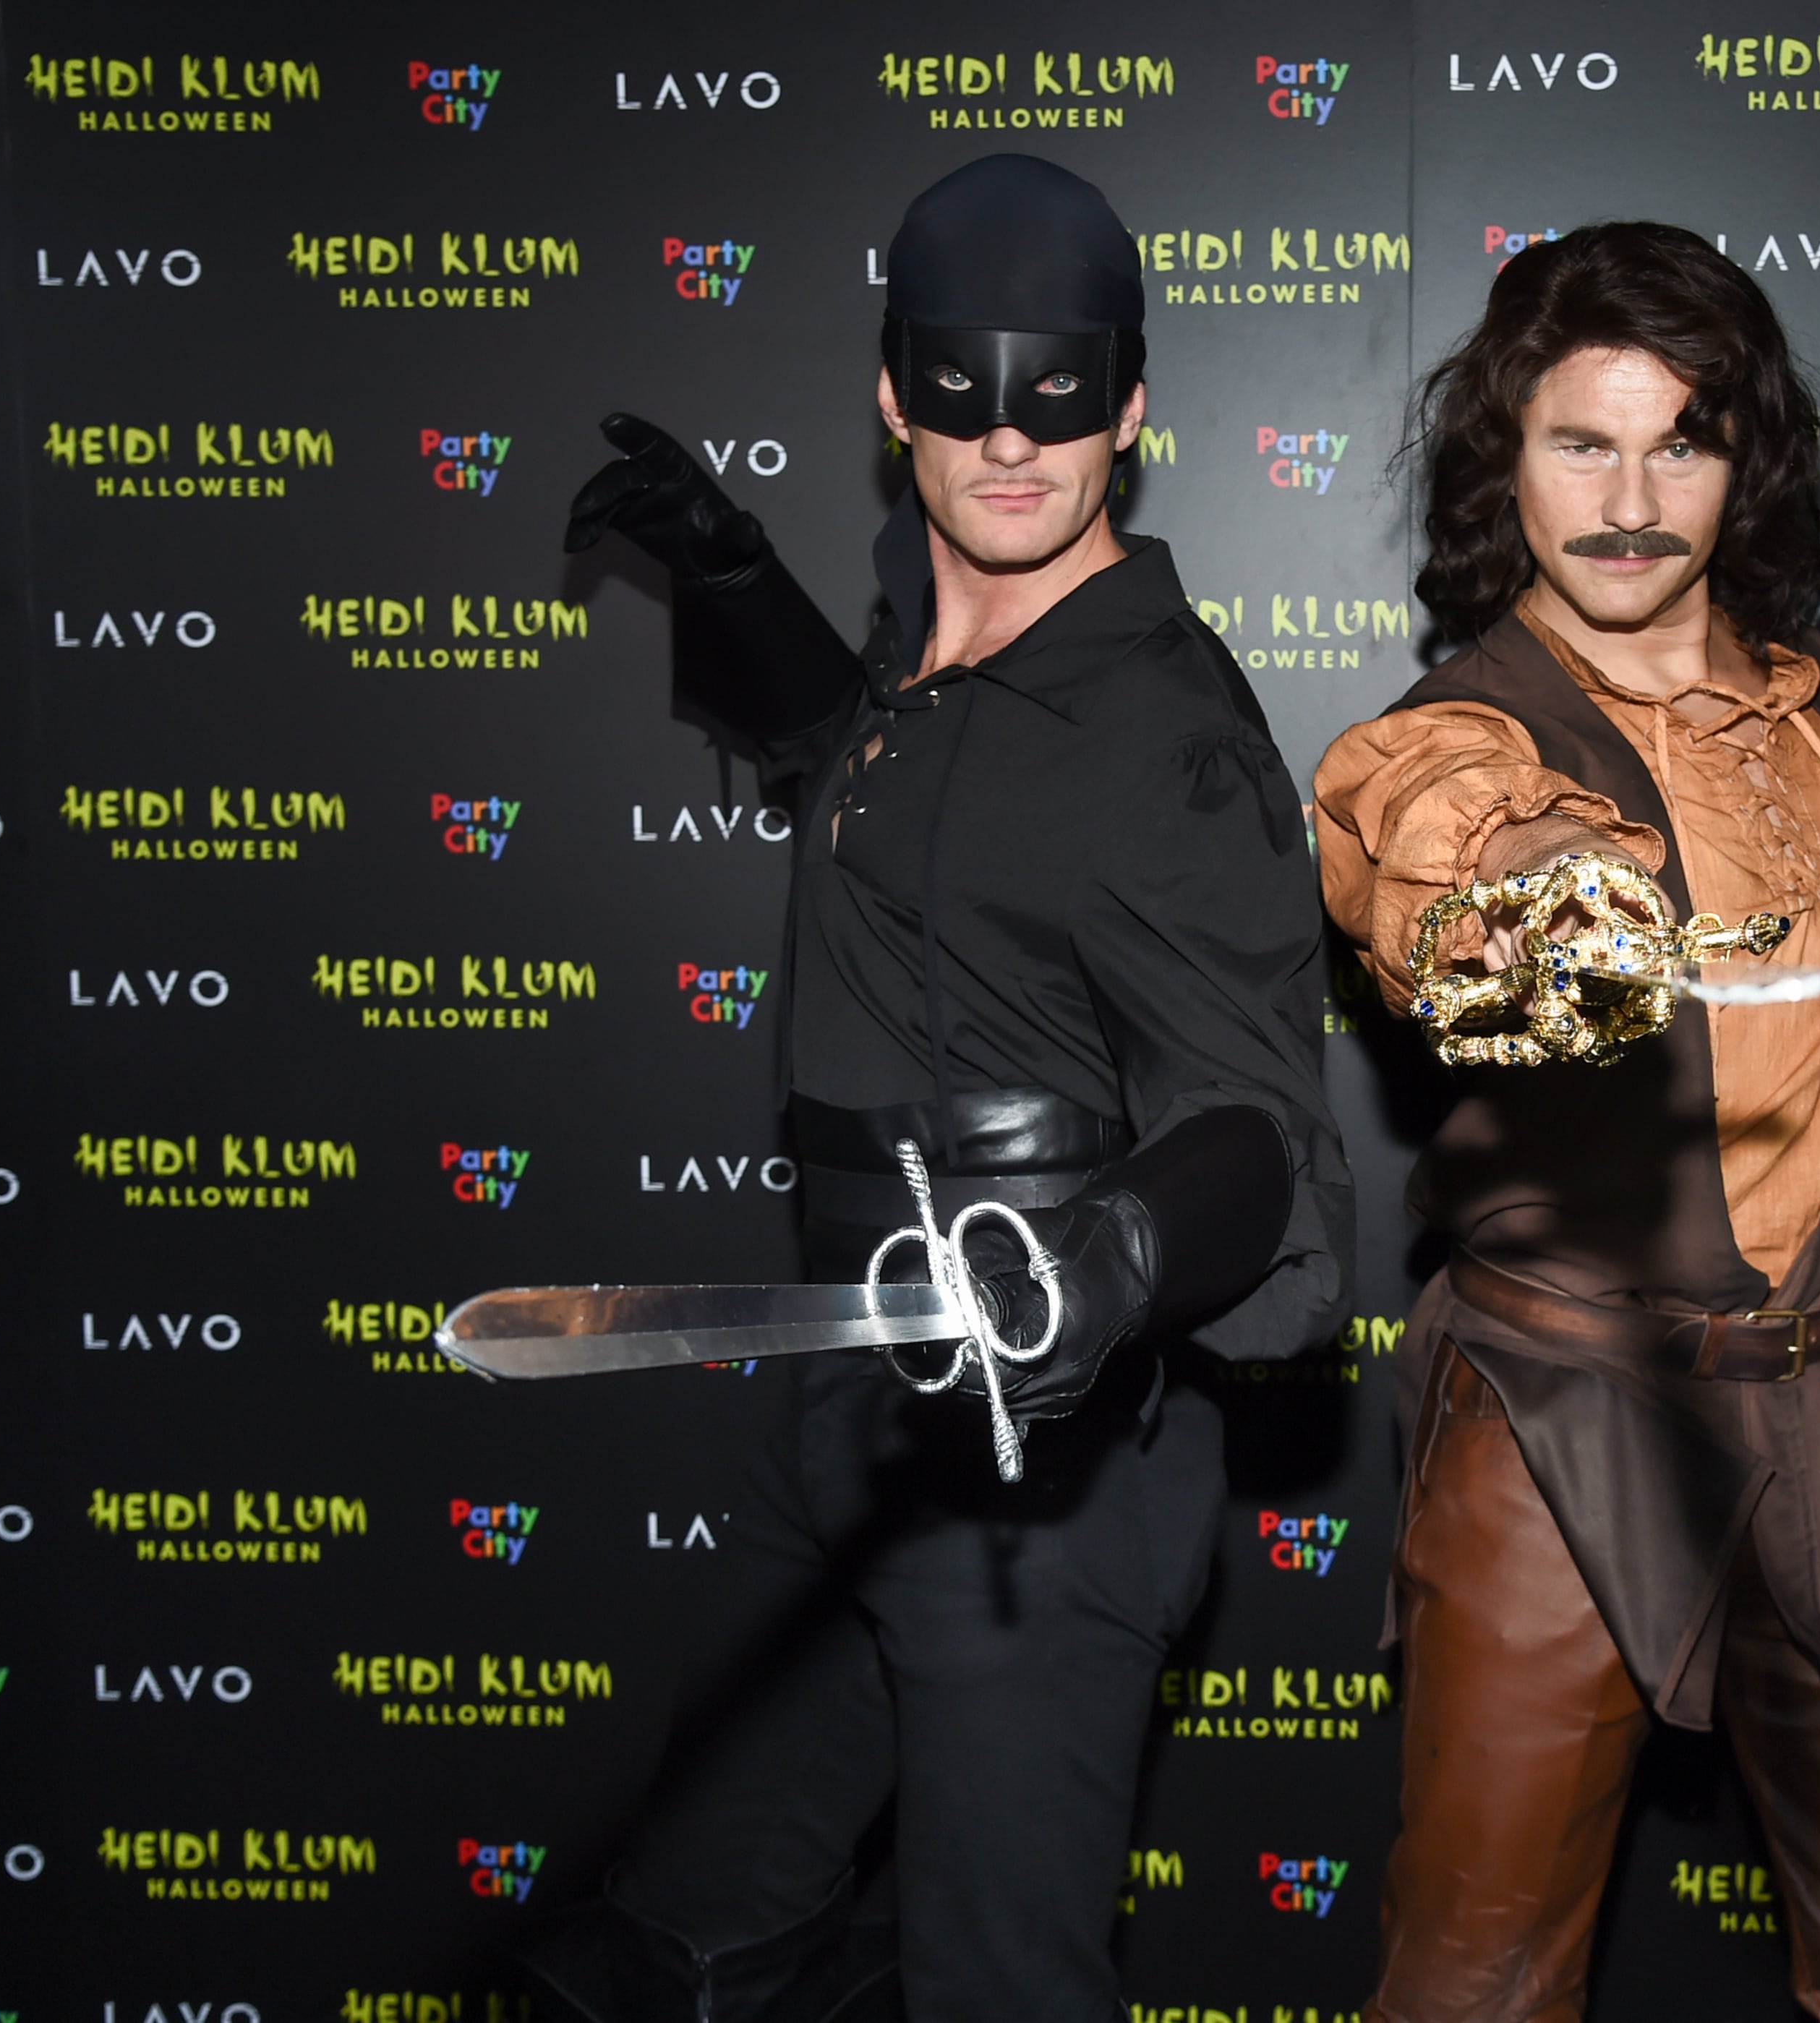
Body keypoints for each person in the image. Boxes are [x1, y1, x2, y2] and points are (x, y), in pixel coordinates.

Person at [534, 153, 1353, 2023]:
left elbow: (1273, 1153)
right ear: (894, 392)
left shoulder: (1175, 745)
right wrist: (735, 583)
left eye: (1057, 390)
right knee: (688, 1937)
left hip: (1038, 1465)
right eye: (959, 386)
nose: (1007, 438)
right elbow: (880, 790)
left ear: (1131, 408)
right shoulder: (937, 632)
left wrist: (1115, 1253)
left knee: (999, 1985)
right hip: (847, 1406)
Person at [1312, 222, 1820, 2023]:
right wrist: (1542, 887)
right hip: (1571, 1415)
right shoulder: (1442, 746)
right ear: (1504, 463)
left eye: (1680, 442)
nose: (1631, 501)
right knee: (1479, 1979)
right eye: (1580, 443)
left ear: (1743, 461)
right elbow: (1467, 912)